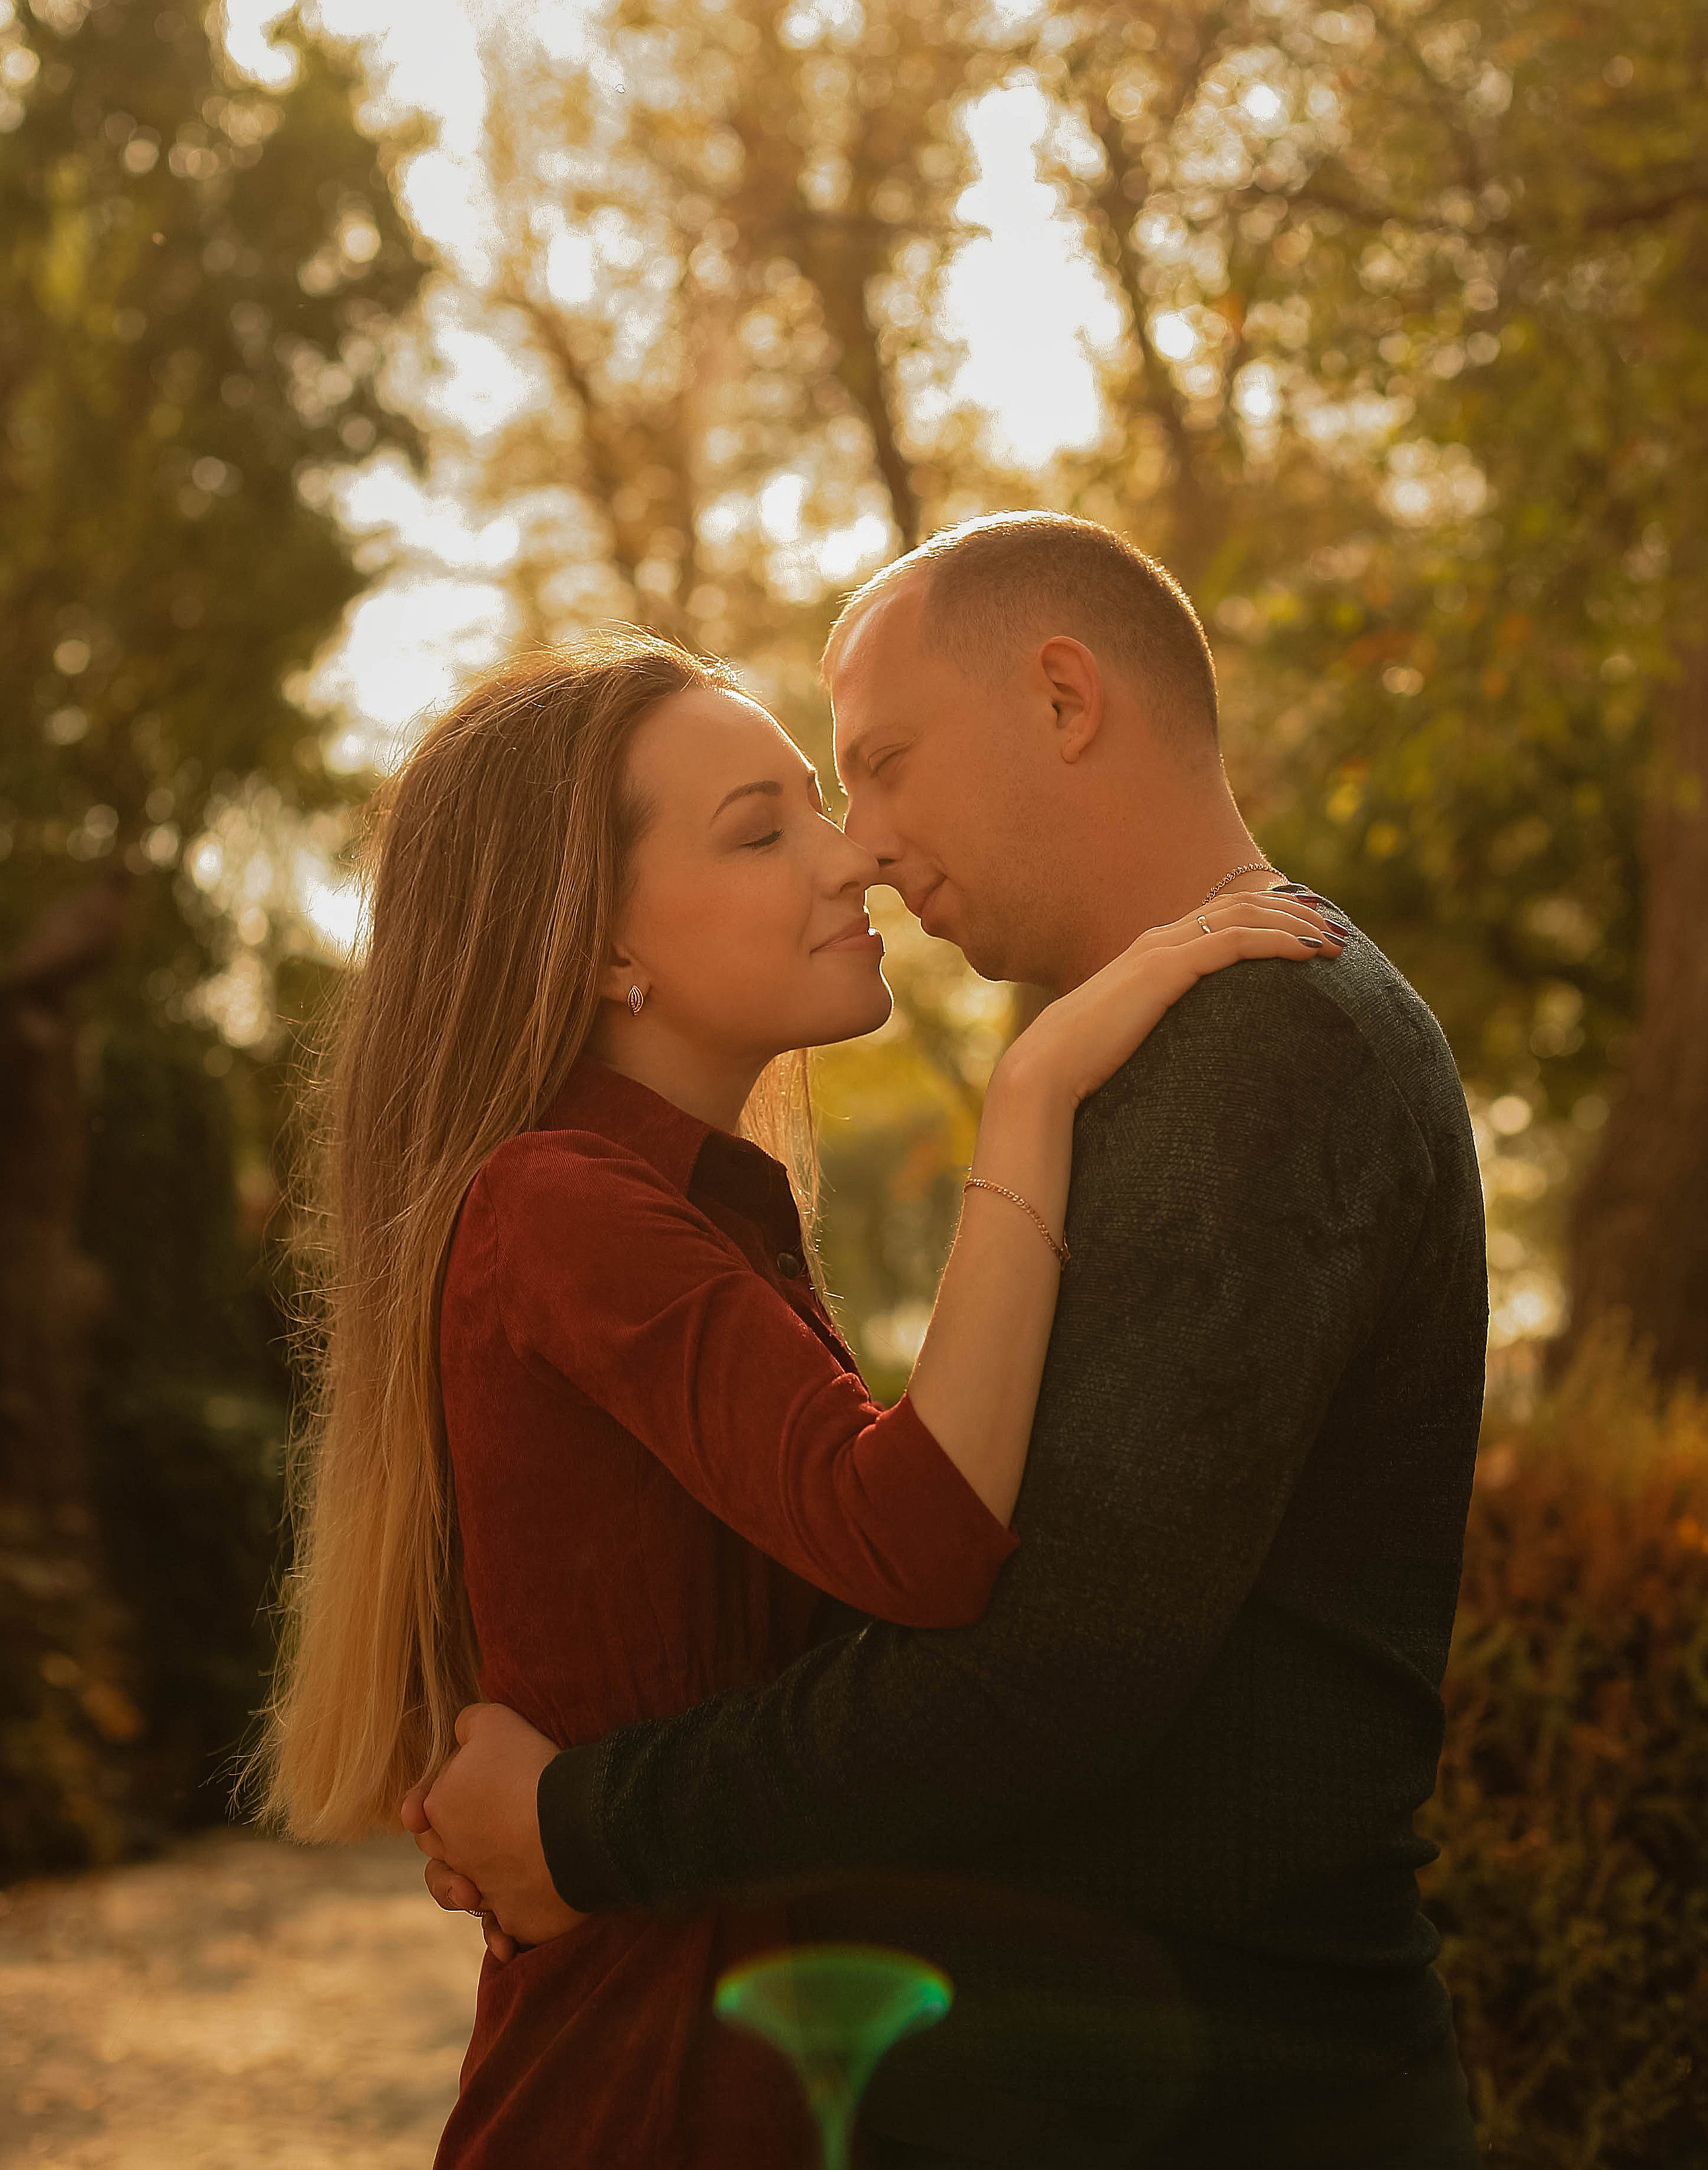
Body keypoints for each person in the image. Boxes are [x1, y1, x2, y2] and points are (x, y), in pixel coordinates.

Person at [410, 512, 1490, 2170]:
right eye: (801, 812)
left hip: (1229, 2096)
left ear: (1063, 698)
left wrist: (581, 1822)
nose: (869, 845)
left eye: (884, 765)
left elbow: (1040, 1672)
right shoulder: (1172, 1054)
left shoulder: (1261, 1046)